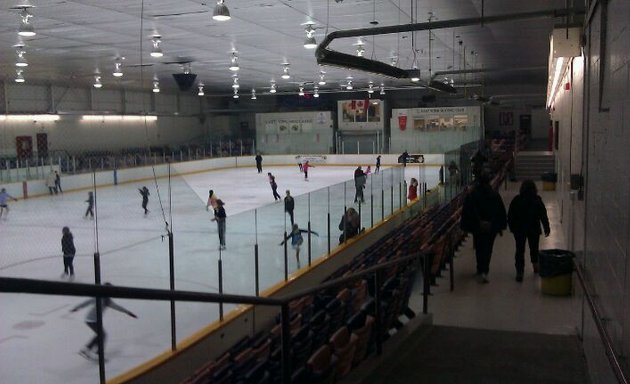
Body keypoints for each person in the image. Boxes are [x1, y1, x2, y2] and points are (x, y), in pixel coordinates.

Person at [70, 283, 137, 360]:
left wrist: (128, 312)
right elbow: (86, 302)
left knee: (101, 335)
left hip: (95, 320)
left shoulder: (107, 301)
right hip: (90, 320)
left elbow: (117, 307)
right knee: (102, 335)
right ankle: (94, 352)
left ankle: (88, 350)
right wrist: (76, 308)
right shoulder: (98, 297)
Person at [460, 173, 507, 284]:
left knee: (479, 247)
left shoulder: (473, 195)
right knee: (488, 248)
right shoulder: (495, 195)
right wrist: (500, 226)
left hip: (477, 226)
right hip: (492, 227)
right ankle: (485, 270)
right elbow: (500, 211)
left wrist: (467, 226)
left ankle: (479, 269)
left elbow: (467, 211)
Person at [508, 180, 551, 282]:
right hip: (534, 229)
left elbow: (510, 215)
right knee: (534, 248)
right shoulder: (537, 200)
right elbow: (543, 216)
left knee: (519, 250)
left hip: (519, 229)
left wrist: (512, 227)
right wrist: (546, 227)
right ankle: (536, 266)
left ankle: (520, 271)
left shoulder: (517, 200)